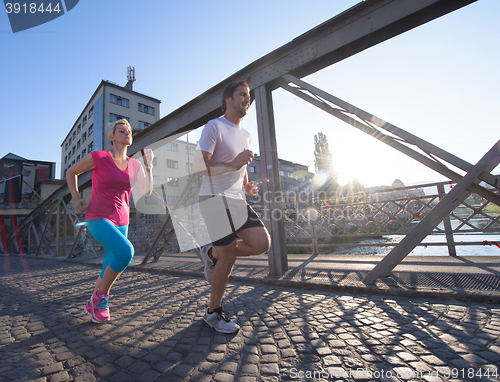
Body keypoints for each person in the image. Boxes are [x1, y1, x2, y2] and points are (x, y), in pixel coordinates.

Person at [193, 81, 271, 333]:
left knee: (261, 243)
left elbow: (243, 166)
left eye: (248, 96)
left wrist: (246, 185)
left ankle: (211, 253)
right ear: (228, 99)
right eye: (242, 95)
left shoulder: (246, 134)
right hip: (213, 198)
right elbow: (198, 166)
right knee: (229, 255)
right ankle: (213, 313)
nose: (247, 100)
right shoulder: (214, 126)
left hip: (237, 199)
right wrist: (232, 165)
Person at [66, 119, 154, 323]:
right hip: (98, 217)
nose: (127, 133)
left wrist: (148, 167)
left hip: (122, 221)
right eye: (121, 130)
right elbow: (72, 172)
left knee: (108, 267)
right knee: (126, 252)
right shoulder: (99, 157)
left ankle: (92, 305)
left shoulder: (134, 165)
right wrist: (76, 197)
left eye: (129, 131)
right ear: (111, 136)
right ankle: (101, 297)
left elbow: (147, 190)